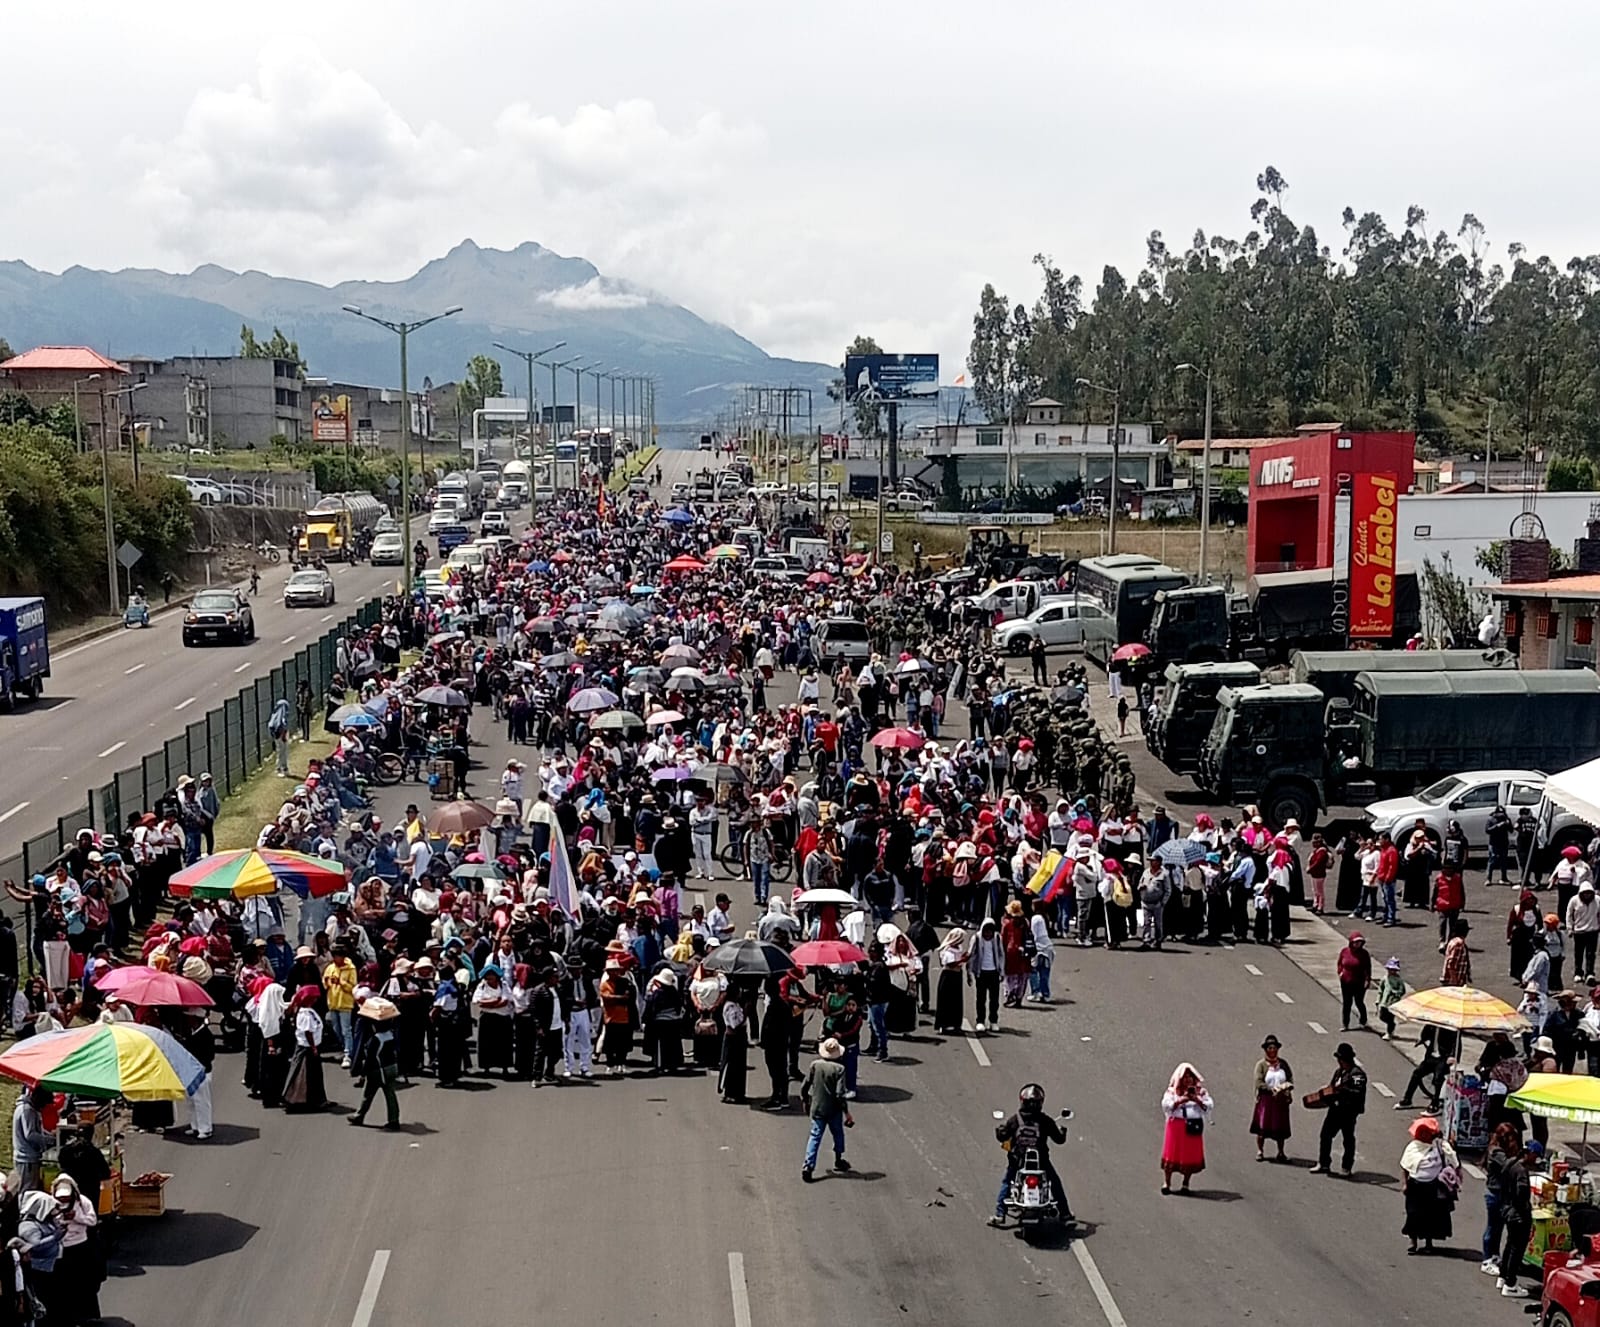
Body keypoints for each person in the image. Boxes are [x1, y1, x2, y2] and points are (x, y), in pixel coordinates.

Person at [989, 1082, 1072, 1228]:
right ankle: (1065, 1214)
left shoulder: (1015, 1120)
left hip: (1017, 1161)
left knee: (1007, 1182)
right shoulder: (1045, 1121)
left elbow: (1002, 1136)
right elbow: (1059, 1140)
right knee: (1054, 1182)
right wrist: (1063, 1131)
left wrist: (1000, 1130)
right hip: (1041, 1162)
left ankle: (1000, 1214)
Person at [1399, 1115, 1458, 1255]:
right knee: (1413, 1214)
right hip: (1415, 1187)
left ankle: (1428, 1243)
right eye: (1421, 1132)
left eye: (1426, 1132)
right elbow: (1405, 1167)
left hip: (1433, 1187)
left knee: (1431, 1215)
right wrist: (1405, 1184)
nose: (1424, 1135)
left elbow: (1452, 1159)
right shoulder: (1412, 1148)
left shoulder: (1439, 1145)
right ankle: (1412, 1241)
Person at [51, 1172, 104, 1323]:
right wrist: (61, 1220)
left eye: (66, 1197)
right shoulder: (51, 1203)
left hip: (80, 1247)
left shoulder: (83, 1202)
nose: (63, 1200)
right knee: (65, 1285)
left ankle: (86, 1315)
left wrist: (76, 1217)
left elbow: (92, 1220)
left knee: (83, 1283)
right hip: (62, 1248)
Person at [800, 1036, 853, 1182]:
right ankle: (838, 1159)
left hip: (817, 1107)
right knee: (838, 1134)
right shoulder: (840, 1069)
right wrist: (847, 1112)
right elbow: (840, 1094)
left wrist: (805, 1100)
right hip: (833, 1109)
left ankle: (808, 1166)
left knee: (815, 1136)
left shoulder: (815, 1065)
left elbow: (805, 1086)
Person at [1310, 1042, 1367, 1176]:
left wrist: (1341, 1090)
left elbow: (1357, 1092)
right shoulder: (1339, 1072)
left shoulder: (1357, 1074)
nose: (1339, 1062)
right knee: (1325, 1135)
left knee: (1347, 1139)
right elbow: (1332, 1087)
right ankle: (1324, 1163)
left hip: (1349, 1112)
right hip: (1335, 1109)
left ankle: (1346, 1167)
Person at [347, 996, 402, 1130]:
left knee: (368, 1094)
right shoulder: (391, 1034)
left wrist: (363, 1072)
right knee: (389, 1094)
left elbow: (371, 1057)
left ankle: (360, 1115)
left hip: (378, 1070)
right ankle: (392, 1119)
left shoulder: (376, 1039)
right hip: (392, 1068)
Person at [1494, 1136, 1537, 1297]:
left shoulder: (1509, 1162)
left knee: (1509, 1245)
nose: (1536, 1160)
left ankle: (1502, 1276)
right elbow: (1522, 1193)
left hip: (1506, 1209)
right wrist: (1525, 1206)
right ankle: (1510, 1284)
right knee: (1517, 1250)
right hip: (1518, 1214)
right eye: (1535, 1155)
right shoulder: (1521, 1171)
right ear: (1529, 1153)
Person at [1160, 1062, 1212, 1194]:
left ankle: (1186, 1184)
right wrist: (1180, 1100)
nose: (1188, 1079)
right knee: (1172, 1152)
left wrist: (1197, 1100)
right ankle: (1167, 1182)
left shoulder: (1200, 1092)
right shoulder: (1173, 1091)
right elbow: (1166, 1105)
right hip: (1176, 1126)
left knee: (1189, 1155)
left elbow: (1208, 1106)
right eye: (1185, 1077)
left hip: (1192, 1126)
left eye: (1190, 1076)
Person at [282, 984, 328, 1112]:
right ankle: (300, 1100)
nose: (315, 1000)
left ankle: (317, 1100)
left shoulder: (307, 1011)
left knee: (314, 1075)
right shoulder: (305, 1014)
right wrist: (313, 1047)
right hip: (306, 1048)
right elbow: (308, 1032)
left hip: (308, 1047)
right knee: (306, 1076)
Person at [1250, 1035, 1294, 1162]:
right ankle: (1260, 1151)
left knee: (1280, 1127)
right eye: (1270, 1048)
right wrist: (1271, 1090)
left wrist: (1286, 1089)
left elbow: (1290, 1079)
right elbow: (1258, 1082)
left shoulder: (1283, 1064)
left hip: (1280, 1101)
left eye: (1274, 1048)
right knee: (1262, 1127)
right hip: (1266, 1101)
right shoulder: (1261, 1065)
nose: (1272, 1050)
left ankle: (1281, 1152)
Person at [10, 1086, 51, 1194]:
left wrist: (50, 1136)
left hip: (27, 1158)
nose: (43, 1107)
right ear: (38, 1098)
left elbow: (37, 1131)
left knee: (29, 1190)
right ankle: (25, 1211)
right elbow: (30, 1135)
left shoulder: (28, 1109)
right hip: (27, 1159)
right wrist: (50, 1140)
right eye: (44, 1103)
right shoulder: (28, 1110)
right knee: (28, 1191)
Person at [1336, 932, 1372, 1032]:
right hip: (1346, 981)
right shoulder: (1345, 951)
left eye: (1360, 942)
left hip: (1359, 982)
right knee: (1347, 1003)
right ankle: (1345, 1024)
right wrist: (1340, 972)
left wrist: (1367, 980)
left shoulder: (1364, 954)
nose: (1358, 944)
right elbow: (1340, 963)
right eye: (1356, 942)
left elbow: (1368, 968)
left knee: (1359, 1002)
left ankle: (1363, 1020)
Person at [1376, 957, 1406, 1040]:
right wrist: (1378, 1000)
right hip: (1384, 1001)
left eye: (1393, 970)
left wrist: (1395, 993)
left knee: (1390, 1018)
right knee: (1382, 1016)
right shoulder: (1385, 978)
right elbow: (1381, 989)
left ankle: (1389, 1032)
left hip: (1393, 1002)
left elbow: (1402, 990)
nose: (1391, 971)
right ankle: (1391, 1026)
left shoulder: (1398, 980)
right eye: (1390, 969)